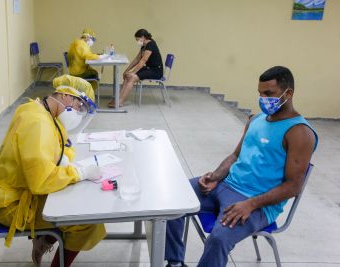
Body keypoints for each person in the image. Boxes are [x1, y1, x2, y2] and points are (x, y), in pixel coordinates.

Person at [164, 66, 318, 267]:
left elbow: (293, 186)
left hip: (256, 201)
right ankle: (175, 263)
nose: (263, 99)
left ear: (288, 93)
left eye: (269, 94)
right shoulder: (257, 119)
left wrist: (251, 204)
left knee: (218, 239)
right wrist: (216, 176)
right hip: (227, 184)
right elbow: (236, 155)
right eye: (260, 93)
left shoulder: (299, 133)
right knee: (172, 200)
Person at [0, 74, 105, 267]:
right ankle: (50, 249)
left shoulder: (39, 109)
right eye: (79, 107)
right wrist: (79, 173)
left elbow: (61, 142)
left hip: (17, 191)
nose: (78, 113)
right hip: (13, 205)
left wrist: (66, 159)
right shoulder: (37, 123)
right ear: (66, 96)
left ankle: (44, 241)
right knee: (88, 221)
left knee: (79, 205)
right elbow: (41, 182)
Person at [108, 28, 163, 108]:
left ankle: (120, 101)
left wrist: (133, 72)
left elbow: (143, 60)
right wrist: (127, 70)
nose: (137, 41)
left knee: (132, 77)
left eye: (138, 39)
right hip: (148, 68)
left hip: (156, 71)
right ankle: (118, 99)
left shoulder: (151, 44)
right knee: (127, 75)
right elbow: (137, 59)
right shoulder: (144, 46)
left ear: (143, 37)